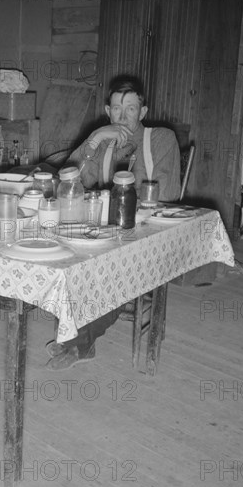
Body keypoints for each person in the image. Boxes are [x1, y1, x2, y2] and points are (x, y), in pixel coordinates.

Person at [45, 75, 181, 370]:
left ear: (142, 113)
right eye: (117, 109)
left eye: (131, 109)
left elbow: (167, 195)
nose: (123, 116)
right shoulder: (103, 143)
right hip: (104, 232)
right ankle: (75, 335)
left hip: (146, 236)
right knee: (64, 254)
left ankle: (80, 342)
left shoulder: (160, 139)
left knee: (114, 265)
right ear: (108, 112)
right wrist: (94, 139)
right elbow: (69, 180)